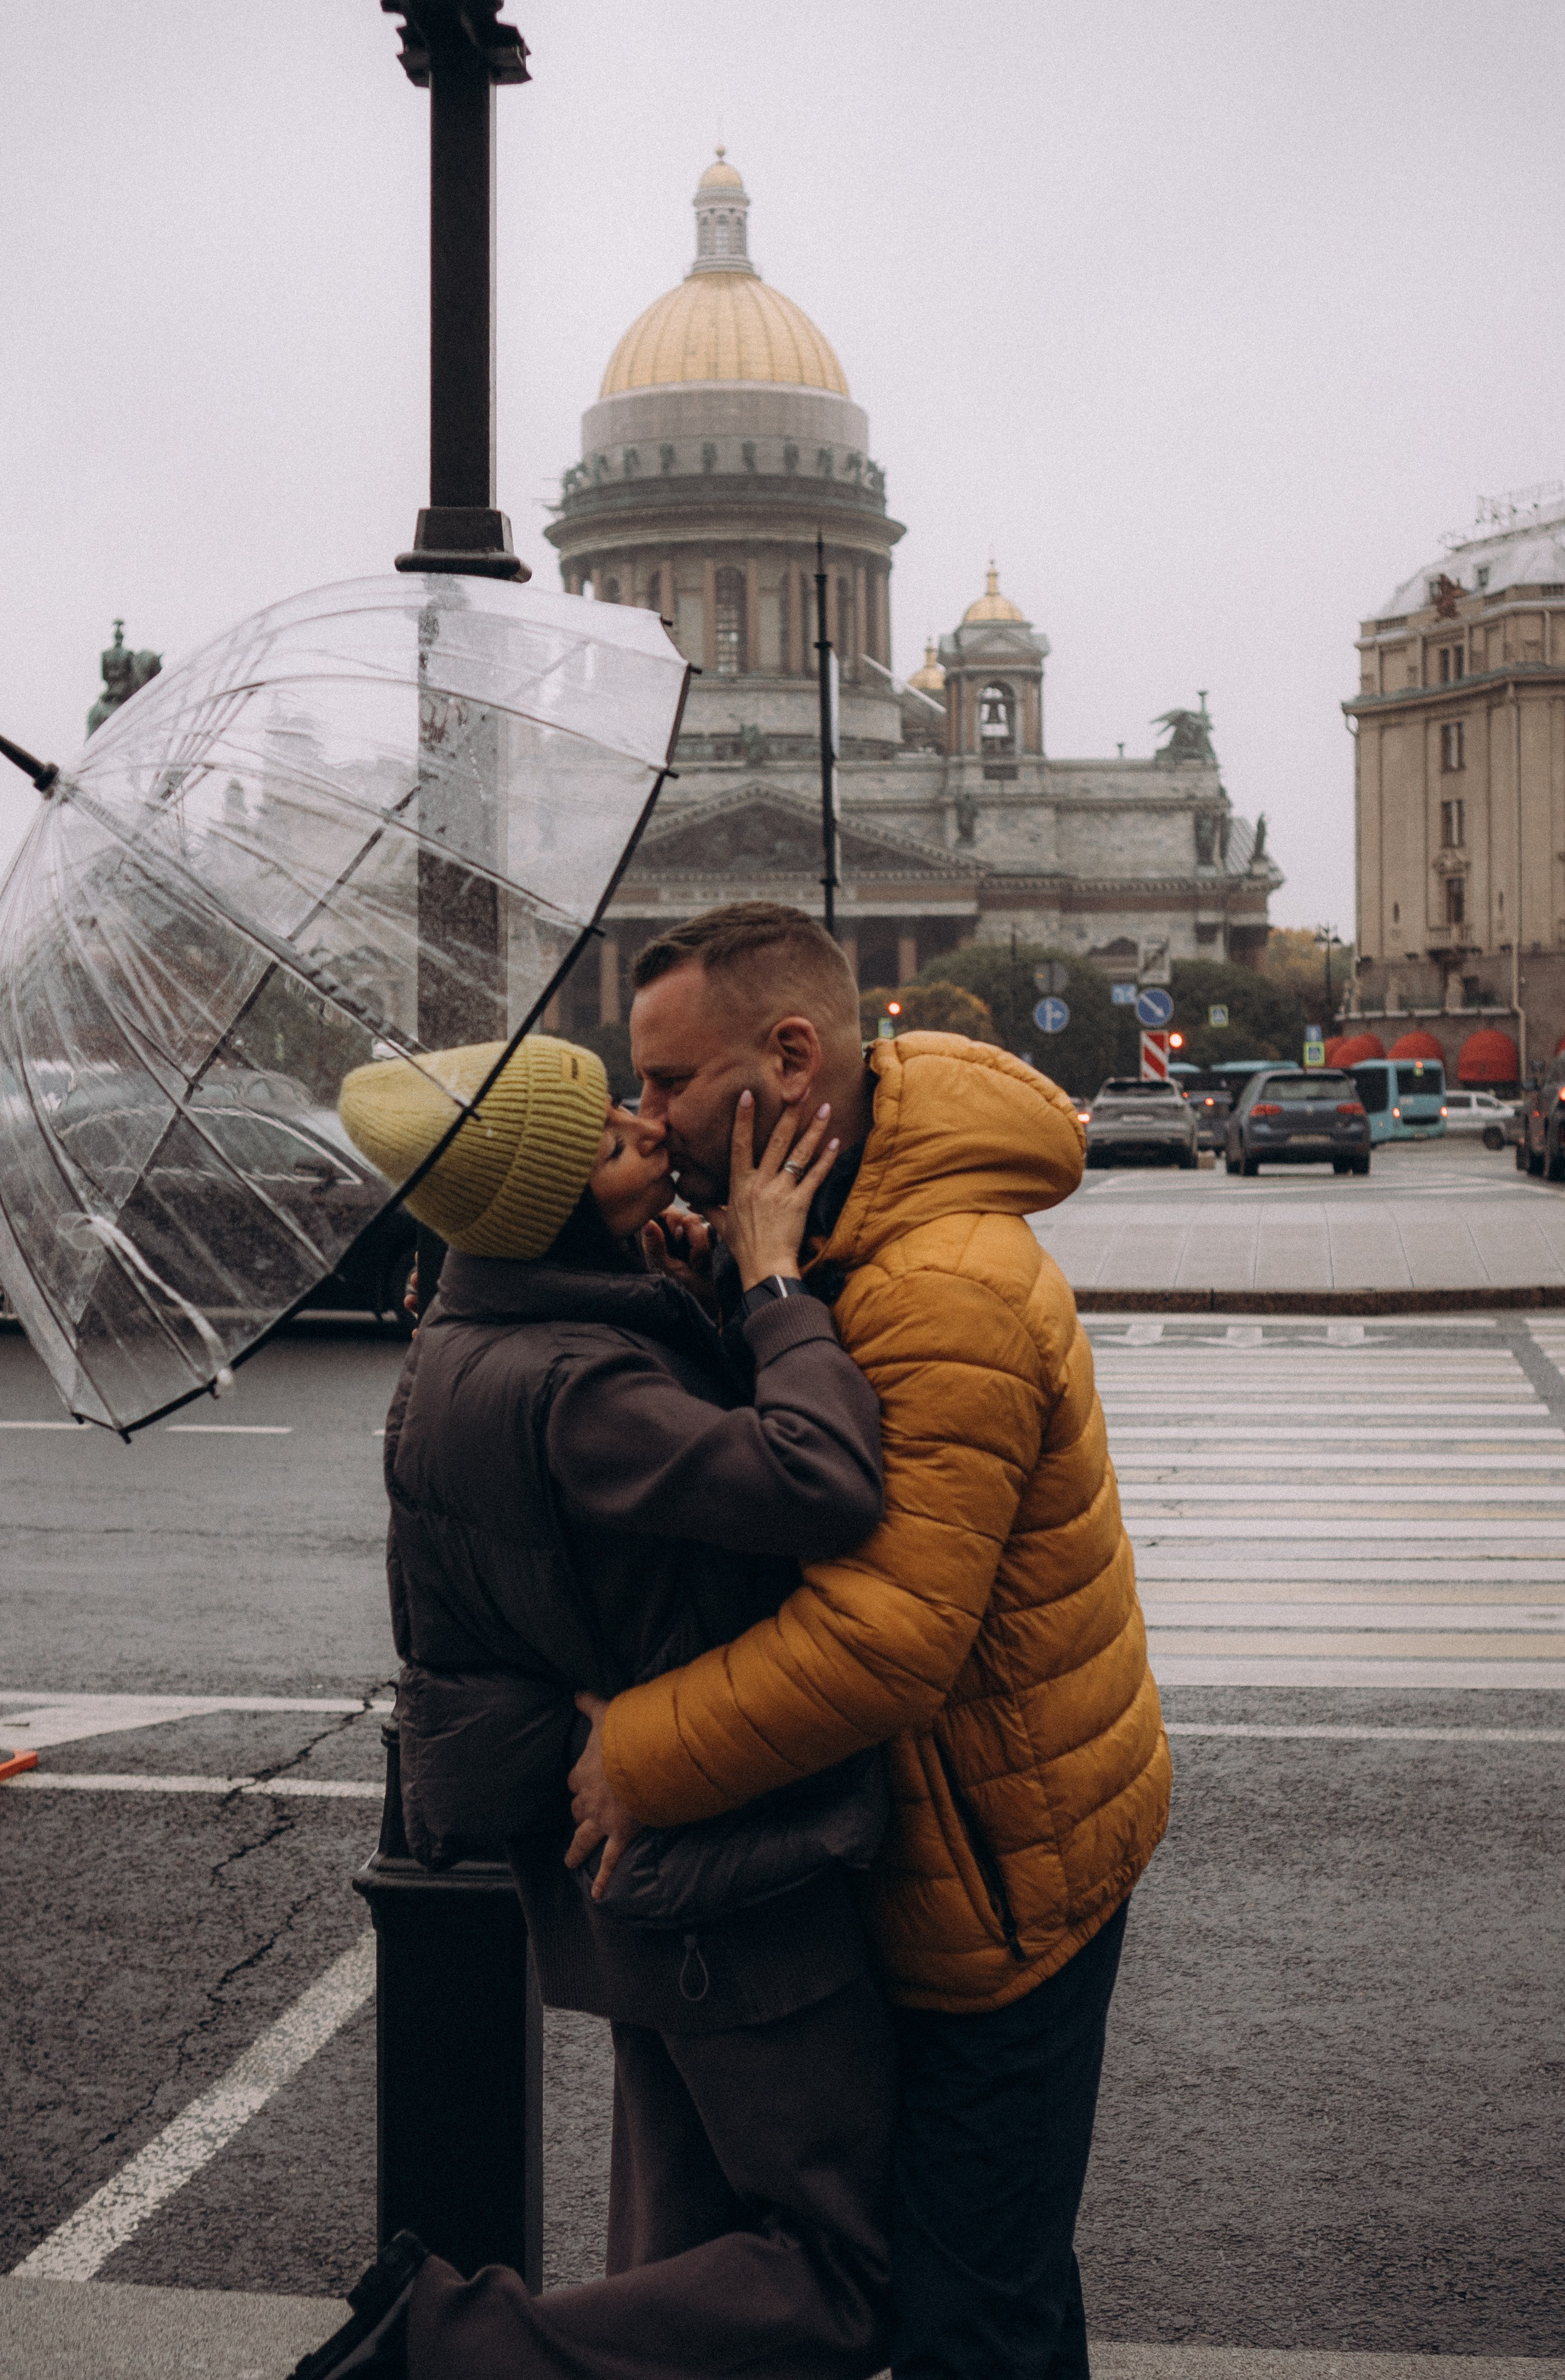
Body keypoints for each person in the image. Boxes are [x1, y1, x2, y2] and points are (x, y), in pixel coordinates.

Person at [566, 902, 1173, 2380]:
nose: (647, 1121)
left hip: (1003, 1876)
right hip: (944, 1840)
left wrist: (636, 1756)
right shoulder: (844, 1229)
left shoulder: (933, 1281)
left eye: (666, 1085)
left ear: (788, 1058)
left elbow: (886, 1638)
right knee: (992, 2271)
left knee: (969, 2315)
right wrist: (730, 1282)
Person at [295, 1032, 896, 2380]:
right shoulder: (580, 1386)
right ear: (553, 1199)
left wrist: (681, 1296)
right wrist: (776, 1281)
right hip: (715, 1868)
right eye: (611, 1130)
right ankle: (444, 2349)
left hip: (627, 1868)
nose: (645, 1126)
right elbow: (820, 1484)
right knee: (849, 2271)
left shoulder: (485, 1332)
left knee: (680, 2258)